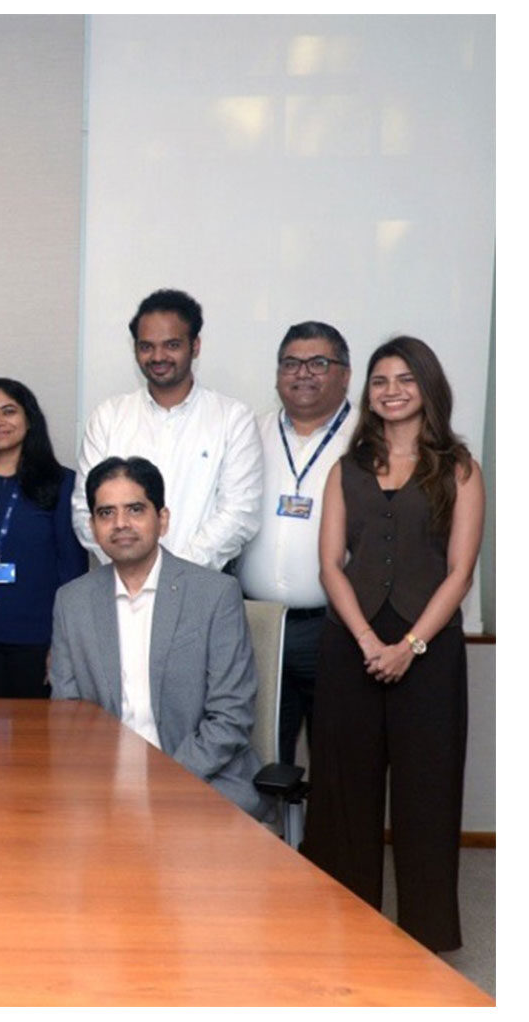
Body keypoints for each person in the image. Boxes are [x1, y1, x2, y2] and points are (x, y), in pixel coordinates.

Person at [302, 336, 483, 953]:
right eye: (380, 380)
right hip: (349, 645)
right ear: (367, 392)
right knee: (344, 795)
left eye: (405, 378)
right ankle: (345, 927)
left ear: (427, 387)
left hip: (428, 654)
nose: (392, 390)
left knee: (426, 796)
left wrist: (408, 645)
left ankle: (424, 938)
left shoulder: (458, 468)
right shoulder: (345, 469)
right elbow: (330, 563)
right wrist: (364, 639)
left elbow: (460, 571)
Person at [50, 456, 267, 818]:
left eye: (135, 509)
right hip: (104, 785)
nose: (121, 524)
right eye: (106, 513)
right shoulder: (72, 601)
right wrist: (116, 782)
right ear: (92, 526)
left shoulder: (215, 594)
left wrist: (154, 781)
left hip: (202, 779)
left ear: (162, 520)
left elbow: (230, 717)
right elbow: (68, 716)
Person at [235, 322, 357, 764]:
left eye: (318, 363)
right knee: (262, 757)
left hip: (337, 627)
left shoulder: (369, 438)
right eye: (291, 363)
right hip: (260, 623)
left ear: (345, 373)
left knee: (338, 755)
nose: (302, 373)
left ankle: (325, 837)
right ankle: (272, 837)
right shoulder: (250, 432)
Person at [73, 288, 261, 570]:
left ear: (195, 346)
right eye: (146, 346)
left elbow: (239, 513)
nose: (158, 356)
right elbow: (84, 509)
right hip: (121, 585)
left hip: (201, 586)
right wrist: (133, 566)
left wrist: (174, 573)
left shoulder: (233, 418)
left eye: (171, 345)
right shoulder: (108, 417)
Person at [0, 378, 87, 697]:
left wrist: (62, 644)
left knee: (35, 741)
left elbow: (73, 572)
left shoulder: (62, 484)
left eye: (8, 411)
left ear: (29, 418)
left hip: (39, 639)